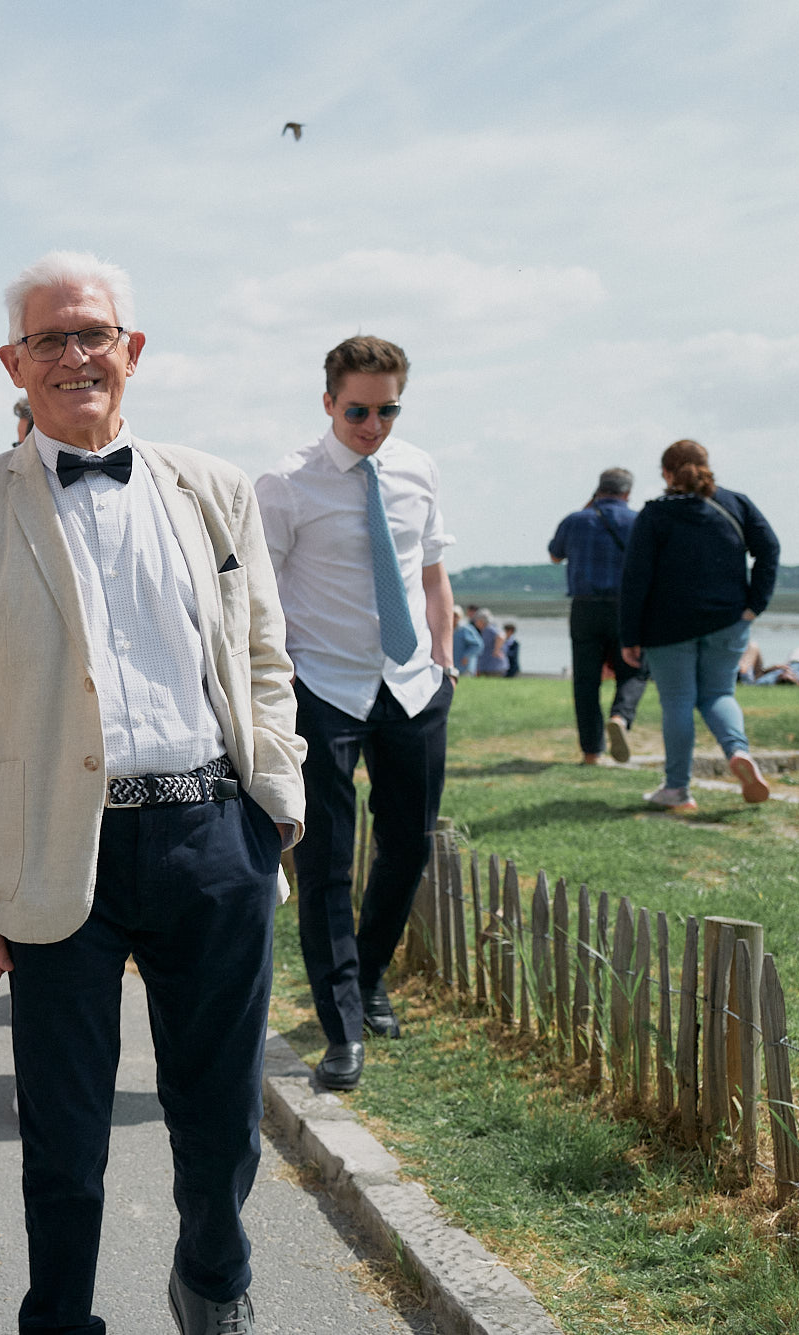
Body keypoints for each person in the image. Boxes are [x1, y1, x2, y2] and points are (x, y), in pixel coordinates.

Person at [0, 251, 305, 1335]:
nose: (73, 356)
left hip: (212, 835)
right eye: (47, 339)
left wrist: (275, 806)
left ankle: (214, 1280)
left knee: (221, 1117)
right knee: (64, 1135)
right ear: (13, 363)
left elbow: (263, 658)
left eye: (91, 333)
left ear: (131, 349)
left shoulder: (215, 488)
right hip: (51, 848)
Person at [256, 334, 458, 1096]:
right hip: (324, 686)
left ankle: (369, 976)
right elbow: (258, 595)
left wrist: (444, 657)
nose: (373, 425)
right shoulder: (284, 483)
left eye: (388, 410)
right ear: (328, 402)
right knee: (326, 863)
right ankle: (342, 1027)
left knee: (408, 846)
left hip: (411, 684)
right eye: (358, 411)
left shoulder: (418, 469)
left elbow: (431, 570)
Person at [619, 440, 781, 811]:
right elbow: (769, 549)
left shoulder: (655, 514)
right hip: (729, 619)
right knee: (719, 694)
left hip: (666, 627)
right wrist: (755, 605)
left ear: (666, 473)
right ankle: (738, 752)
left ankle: (677, 789)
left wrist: (629, 635)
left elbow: (635, 578)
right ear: (707, 466)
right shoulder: (736, 504)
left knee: (677, 701)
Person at [549, 468, 649, 763]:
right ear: (627, 493)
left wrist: (587, 507)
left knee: (585, 681)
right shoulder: (639, 521)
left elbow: (555, 555)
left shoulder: (575, 520)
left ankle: (591, 752)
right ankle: (620, 716)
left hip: (584, 607)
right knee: (635, 669)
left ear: (598, 489)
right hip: (625, 607)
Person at [471, 607, 508, 676]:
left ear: (481, 621)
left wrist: (496, 650)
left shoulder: (489, 629)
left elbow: (501, 636)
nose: (475, 623)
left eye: (476, 620)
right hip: (489, 666)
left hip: (494, 667)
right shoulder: (485, 630)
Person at [451, 604, 480, 677]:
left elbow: (478, 645)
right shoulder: (447, 630)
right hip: (452, 665)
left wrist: (467, 656)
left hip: (464, 666)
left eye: (456, 616)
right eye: (452, 615)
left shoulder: (465, 629)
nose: (453, 618)